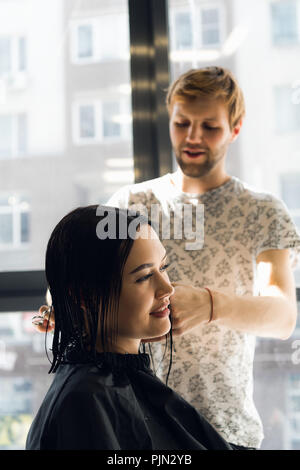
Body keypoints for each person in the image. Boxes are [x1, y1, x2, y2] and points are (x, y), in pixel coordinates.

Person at [35, 66, 300, 449]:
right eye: (182, 124)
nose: (193, 137)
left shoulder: (262, 212)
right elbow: (78, 275)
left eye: (209, 127)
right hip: (138, 425)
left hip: (225, 429)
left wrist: (211, 305)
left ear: (235, 128)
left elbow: (283, 317)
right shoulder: (131, 205)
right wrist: (62, 307)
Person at [26, 205, 234, 450]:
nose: (168, 289)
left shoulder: (110, 382)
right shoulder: (84, 401)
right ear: (84, 296)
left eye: (163, 268)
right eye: (144, 277)